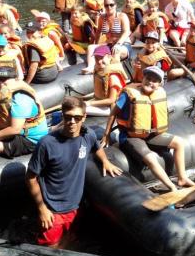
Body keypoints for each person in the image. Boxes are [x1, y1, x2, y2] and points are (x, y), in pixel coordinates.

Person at [25, 96, 122, 247]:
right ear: (62, 116)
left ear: (84, 117)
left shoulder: (87, 135)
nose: (72, 122)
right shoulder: (47, 144)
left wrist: (105, 161)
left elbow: (97, 148)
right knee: (50, 249)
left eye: (77, 118)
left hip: (75, 207)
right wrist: (42, 209)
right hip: (52, 210)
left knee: (68, 241)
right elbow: (30, 178)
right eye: (68, 117)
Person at [100, 66, 195, 192]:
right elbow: (113, 112)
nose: (150, 82)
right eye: (148, 78)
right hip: (131, 136)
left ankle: (182, 178)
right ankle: (172, 187)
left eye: (155, 81)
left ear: (159, 84)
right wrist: (106, 134)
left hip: (152, 134)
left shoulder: (158, 94)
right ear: (143, 78)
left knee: (179, 143)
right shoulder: (129, 94)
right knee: (151, 157)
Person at [81, 0, 132, 74]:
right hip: (109, 44)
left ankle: (117, 73)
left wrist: (118, 44)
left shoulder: (122, 16)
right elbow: (98, 32)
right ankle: (91, 67)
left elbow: (126, 32)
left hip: (123, 45)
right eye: (106, 5)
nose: (109, 7)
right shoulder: (102, 17)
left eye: (111, 5)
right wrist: (97, 46)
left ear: (115, 5)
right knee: (91, 47)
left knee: (116, 50)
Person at [85, 45, 128, 116]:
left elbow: (112, 100)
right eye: (96, 58)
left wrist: (89, 103)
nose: (99, 61)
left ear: (109, 57)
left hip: (110, 108)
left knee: (79, 108)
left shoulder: (113, 76)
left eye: (101, 58)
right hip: (99, 102)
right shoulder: (99, 71)